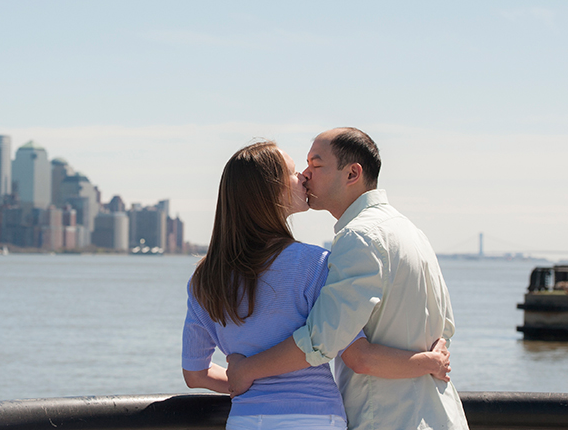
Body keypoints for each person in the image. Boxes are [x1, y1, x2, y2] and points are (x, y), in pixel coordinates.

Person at [183, 141, 451, 430]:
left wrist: (243, 379)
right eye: (294, 172)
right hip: (315, 417)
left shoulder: (204, 280)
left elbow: (195, 374)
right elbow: (357, 356)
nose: (304, 177)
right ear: (271, 191)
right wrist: (431, 362)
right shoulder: (315, 264)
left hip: (246, 419)